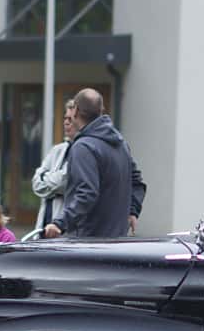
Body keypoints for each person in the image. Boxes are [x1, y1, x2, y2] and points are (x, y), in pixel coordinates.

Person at [41, 89, 144, 240]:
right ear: (101, 111)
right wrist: (133, 211)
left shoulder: (83, 147)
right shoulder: (120, 143)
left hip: (87, 243)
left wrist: (59, 223)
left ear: (75, 110)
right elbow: (137, 182)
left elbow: (87, 193)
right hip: (118, 242)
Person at [32, 98, 77, 232]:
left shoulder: (83, 152)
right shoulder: (57, 150)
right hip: (44, 224)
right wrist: (54, 182)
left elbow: (63, 182)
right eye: (65, 118)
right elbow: (36, 183)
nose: (66, 122)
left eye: (71, 119)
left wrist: (46, 178)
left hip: (64, 229)